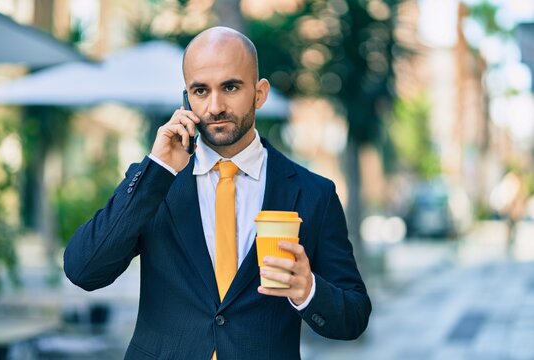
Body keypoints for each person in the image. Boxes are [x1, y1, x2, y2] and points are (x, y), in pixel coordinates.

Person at [64, 26, 371, 360]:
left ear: (259, 93)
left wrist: (308, 289)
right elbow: (84, 270)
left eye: (230, 87)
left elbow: (353, 316)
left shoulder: (315, 194)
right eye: (200, 90)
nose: (215, 106)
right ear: (186, 98)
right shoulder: (156, 181)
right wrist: (158, 170)